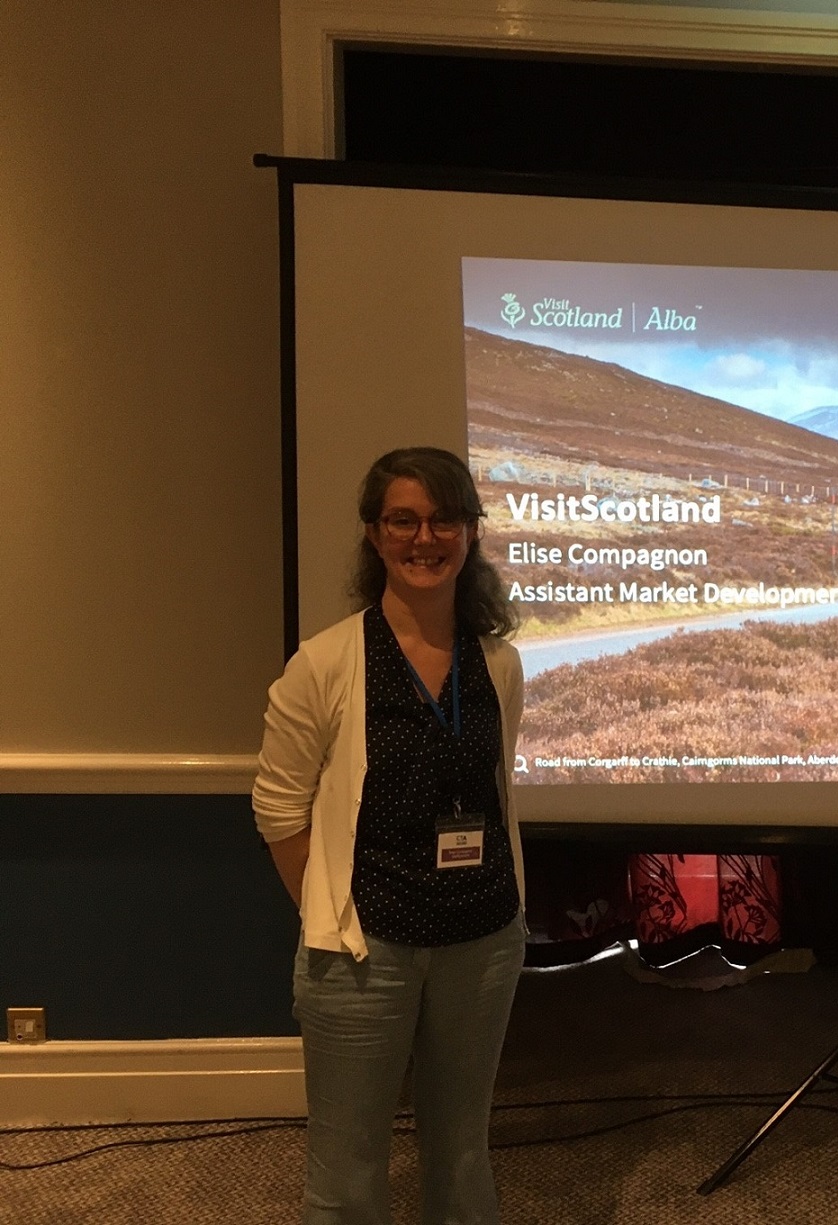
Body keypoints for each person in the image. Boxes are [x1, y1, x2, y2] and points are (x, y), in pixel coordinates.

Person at [252, 447, 526, 1225]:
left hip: (483, 941)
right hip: (363, 955)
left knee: (464, 1157)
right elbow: (278, 807)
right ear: (375, 536)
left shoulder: (498, 664)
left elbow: (496, 792)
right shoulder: (325, 663)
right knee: (346, 1177)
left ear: (470, 533)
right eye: (403, 519)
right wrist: (326, 911)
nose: (424, 536)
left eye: (444, 518)